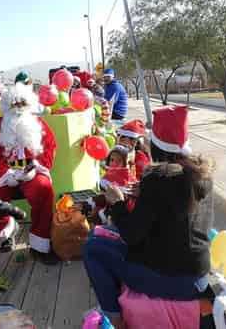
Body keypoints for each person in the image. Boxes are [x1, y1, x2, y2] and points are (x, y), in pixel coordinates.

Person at [83, 105, 214, 328]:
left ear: (156, 145)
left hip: (171, 281)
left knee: (92, 248)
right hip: (198, 276)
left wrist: (117, 203)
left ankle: (115, 318)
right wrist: (144, 193)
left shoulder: (158, 178)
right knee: (101, 235)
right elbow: (175, 212)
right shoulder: (201, 175)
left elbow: (131, 234)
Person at [0, 82, 58, 264]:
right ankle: (6, 230)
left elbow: (49, 148)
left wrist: (35, 168)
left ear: (29, 105)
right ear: (7, 106)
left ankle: (40, 244)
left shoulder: (38, 124)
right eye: (14, 104)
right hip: (5, 175)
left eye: (22, 104)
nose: (18, 108)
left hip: (32, 171)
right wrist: (5, 174)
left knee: (43, 188)